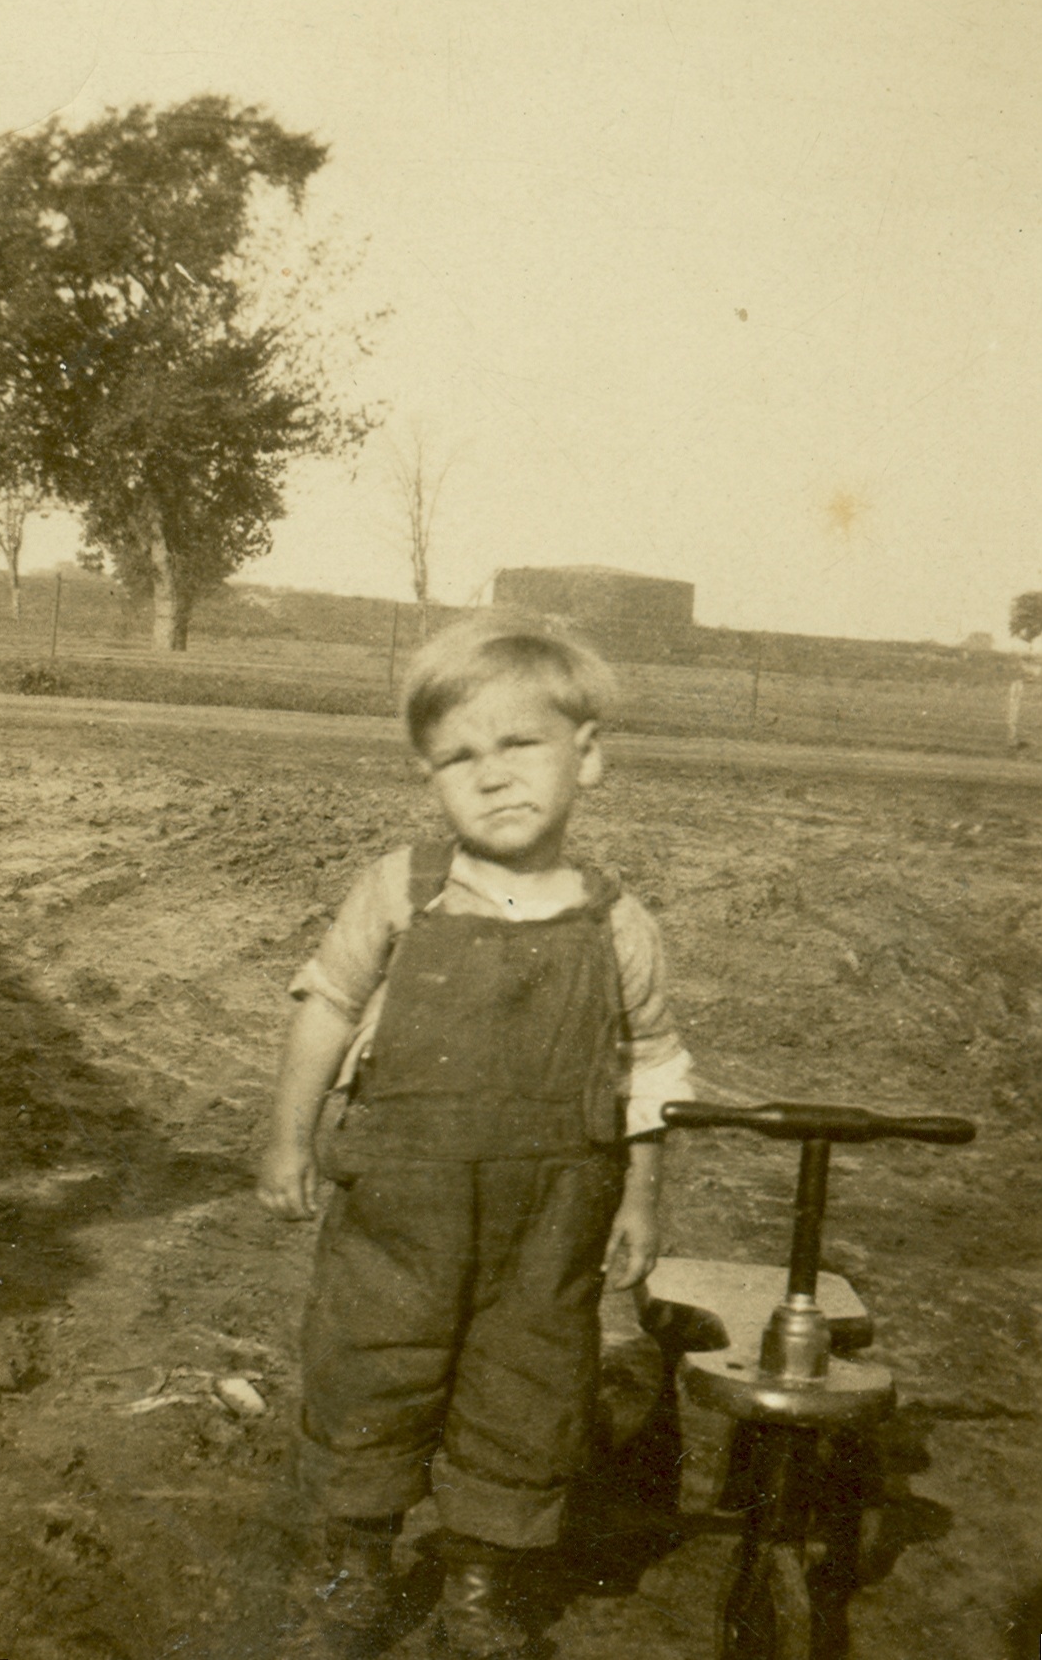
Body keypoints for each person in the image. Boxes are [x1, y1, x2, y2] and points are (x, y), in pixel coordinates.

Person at [256, 617, 694, 1658]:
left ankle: (482, 1582)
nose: (492, 778)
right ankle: (352, 1566)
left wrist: (641, 1197)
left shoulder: (617, 923)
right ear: (428, 777)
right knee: (370, 1369)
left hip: (549, 1225)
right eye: (460, 757)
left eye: (521, 746)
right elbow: (323, 1006)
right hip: (398, 1216)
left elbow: (653, 1075)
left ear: (587, 755)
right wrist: (288, 1135)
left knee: (528, 1386)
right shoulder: (402, 891)